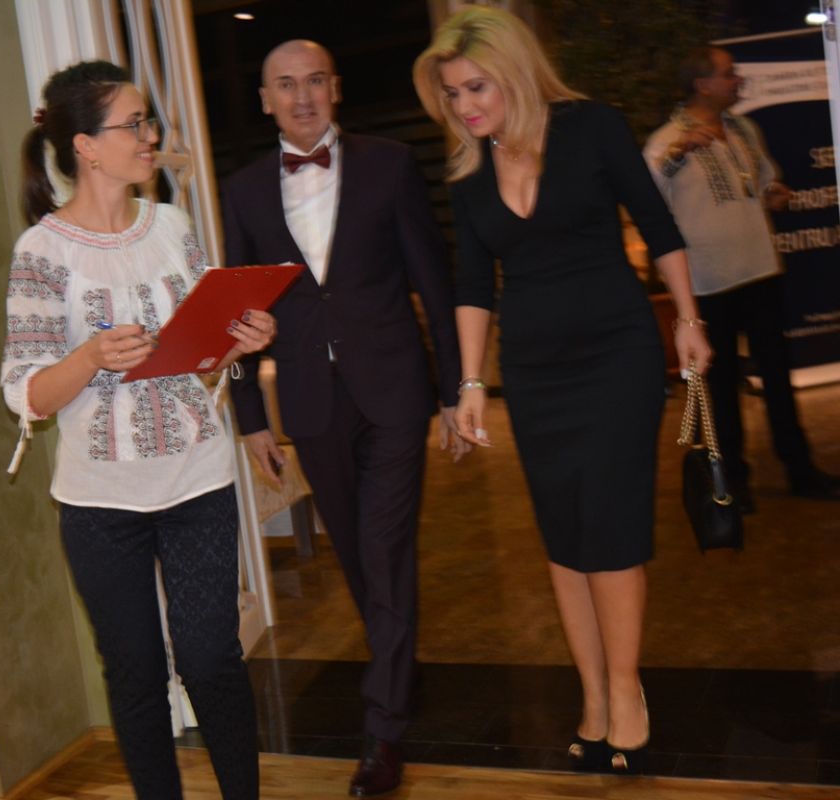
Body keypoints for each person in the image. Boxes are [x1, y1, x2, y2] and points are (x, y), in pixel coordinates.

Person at [413, 6, 712, 775]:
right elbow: (472, 285)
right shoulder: (469, 172)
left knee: (608, 531)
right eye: (452, 93)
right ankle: (593, 695)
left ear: (512, 72)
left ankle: (626, 690)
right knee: (565, 540)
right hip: (535, 373)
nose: (464, 105)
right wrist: (470, 381)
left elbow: (658, 225)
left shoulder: (592, 127)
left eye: (476, 87)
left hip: (617, 358)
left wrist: (687, 320)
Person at [0, 60, 275, 800]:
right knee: (135, 673)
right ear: (86, 146)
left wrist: (240, 341)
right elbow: (27, 394)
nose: (151, 135)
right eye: (134, 124)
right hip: (99, 503)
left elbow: (202, 357)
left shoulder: (174, 227)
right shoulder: (41, 253)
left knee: (211, 659)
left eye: (148, 120)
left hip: (198, 479)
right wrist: (89, 357)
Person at [221, 39, 469, 797]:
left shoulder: (390, 165)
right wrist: (251, 416)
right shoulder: (244, 190)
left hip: (394, 389)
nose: (302, 97)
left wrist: (455, 391)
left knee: (384, 549)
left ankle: (382, 731)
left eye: (314, 81)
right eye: (285, 85)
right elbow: (237, 314)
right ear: (265, 99)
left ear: (336, 88)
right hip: (310, 401)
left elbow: (433, 280)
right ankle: (400, 666)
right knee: (359, 557)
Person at [644, 46, 840, 512]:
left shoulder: (744, 129)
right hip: (708, 282)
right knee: (722, 385)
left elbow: (764, 181)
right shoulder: (664, 141)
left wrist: (773, 194)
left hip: (760, 270)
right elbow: (650, 197)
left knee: (777, 376)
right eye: (729, 74)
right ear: (702, 85)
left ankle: (800, 469)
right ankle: (732, 479)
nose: (738, 80)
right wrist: (678, 152)